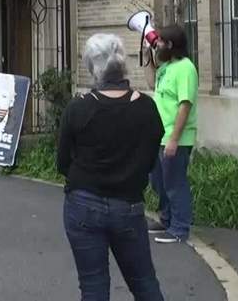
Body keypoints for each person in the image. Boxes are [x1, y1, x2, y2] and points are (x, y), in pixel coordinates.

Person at [58, 34, 165, 301]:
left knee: (93, 286)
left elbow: (63, 162)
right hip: (128, 205)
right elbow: (152, 158)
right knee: (144, 283)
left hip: (83, 202)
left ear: (92, 67)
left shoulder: (78, 108)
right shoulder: (146, 108)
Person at [148, 24, 199, 244]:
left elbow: (185, 105)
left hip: (175, 138)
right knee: (158, 181)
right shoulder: (167, 66)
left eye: (159, 42)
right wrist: (148, 58)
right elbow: (151, 84)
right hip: (160, 135)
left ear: (169, 45)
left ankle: (179, 228)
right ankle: (166, 218)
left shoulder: (186, 68)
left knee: (175, 183)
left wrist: (174, 139)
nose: (156, 45)